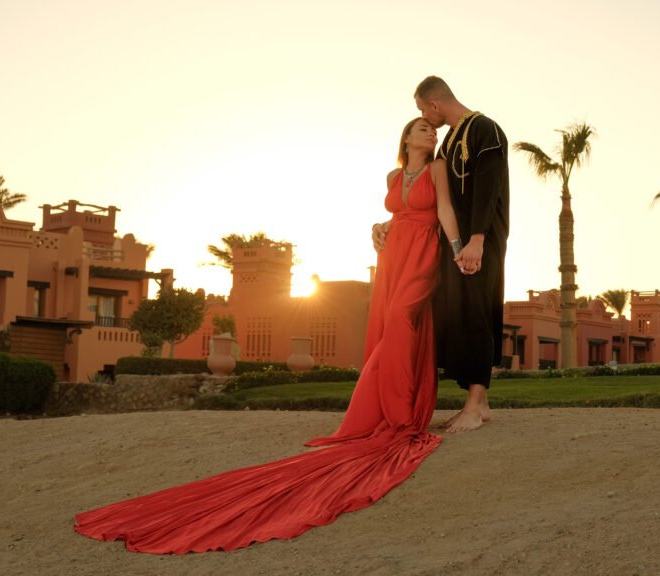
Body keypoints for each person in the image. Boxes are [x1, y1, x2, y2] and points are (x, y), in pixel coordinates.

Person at [73, 118, 464, 554]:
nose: (431, 134)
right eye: (423, 129)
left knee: (401, 319)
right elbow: (399, 212)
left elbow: (442, 210)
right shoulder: (394, 176)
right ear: (406, 138)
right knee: (390, 325)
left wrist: (456, 247)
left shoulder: (437, 169)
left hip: (425, 250)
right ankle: (388, 410)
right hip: (395, 253)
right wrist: (381, 227)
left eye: (433, 131)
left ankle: (404, 414)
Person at [377, 76, 509, 433]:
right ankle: (479, 403)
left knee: (479, 312)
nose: (423, 116)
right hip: (458, 245)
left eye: (422, 109)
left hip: (480, 241)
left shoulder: (486, 129)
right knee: (461, 317)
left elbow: (489, 186)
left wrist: (478, 239)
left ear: (434, 105)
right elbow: (436, 202)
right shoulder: (450, 142)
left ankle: (472, 406)